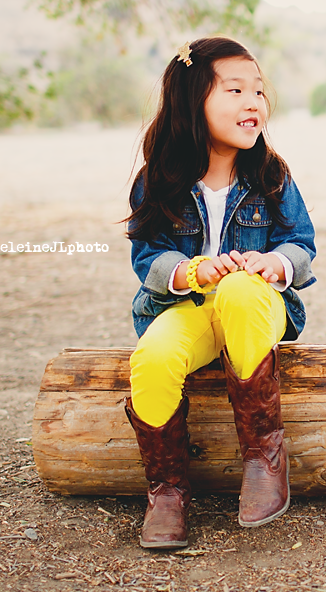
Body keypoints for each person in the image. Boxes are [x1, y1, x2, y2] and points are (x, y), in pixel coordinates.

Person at [124, 36, 316, 549]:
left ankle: (263, 456)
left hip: (255, 306)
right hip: (188, 306)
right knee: (154, 357)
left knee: (239, 291)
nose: (254, 102)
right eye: (235, 90)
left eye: (259, 90)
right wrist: (194, 271)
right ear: (193, 102)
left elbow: (301, 245)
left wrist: (274, 262)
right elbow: (147, 258)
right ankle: (167, 490)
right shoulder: (157, 180)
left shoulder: (270, 175)